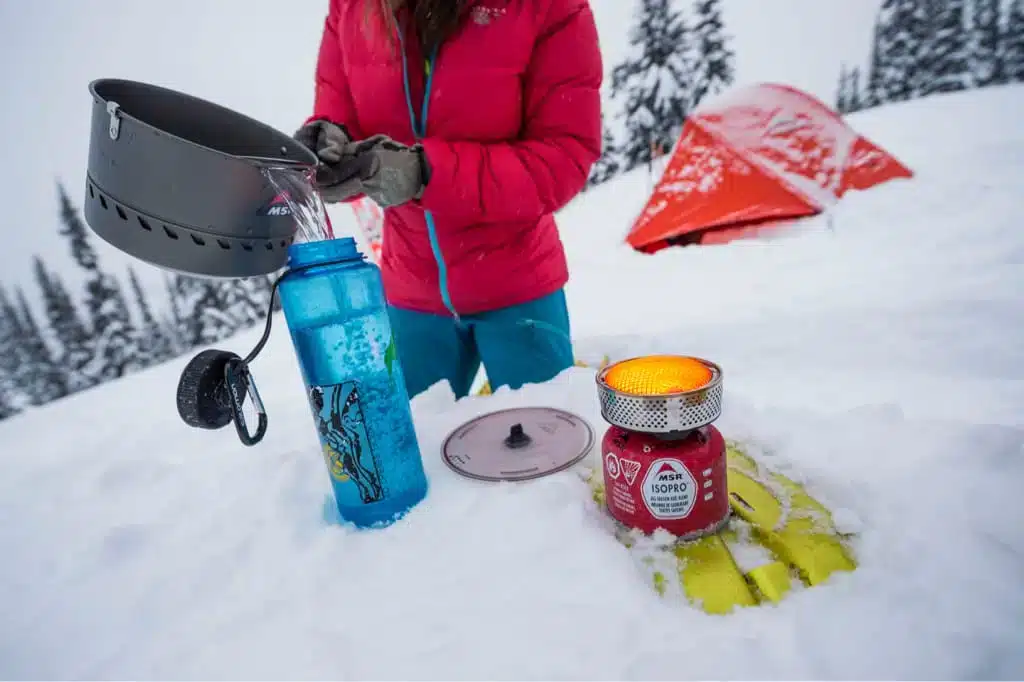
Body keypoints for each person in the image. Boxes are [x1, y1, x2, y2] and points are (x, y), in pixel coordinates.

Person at [294, 0, 603, 400]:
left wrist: (425, 174)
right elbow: (342, 120)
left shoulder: (547, 7)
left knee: (544, 452)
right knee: (414, 447)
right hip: (411, 290)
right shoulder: (352, 9)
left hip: (518, 287)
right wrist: (329, 146)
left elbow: (562, 157)